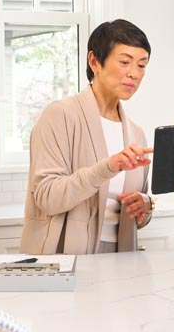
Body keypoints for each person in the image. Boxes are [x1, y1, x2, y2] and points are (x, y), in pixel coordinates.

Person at [20, 19, 155, 254]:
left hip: (119, 260)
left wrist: (145, 206)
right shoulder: (59, 115)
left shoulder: (136, 133)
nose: (134, 74)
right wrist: (109, 166)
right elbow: (47, 197)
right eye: (125, 62)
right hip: (63, 260)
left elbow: (137, 212)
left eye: (142, 65)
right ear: (94, 61)